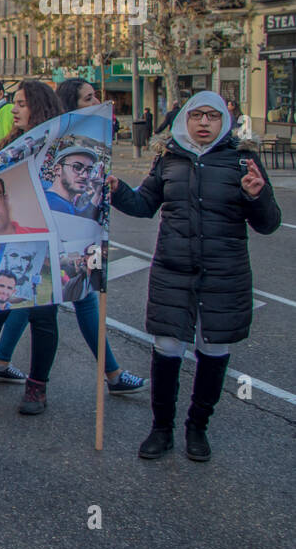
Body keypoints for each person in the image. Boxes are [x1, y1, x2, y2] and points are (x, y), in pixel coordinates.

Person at [109, 91, 280, 462]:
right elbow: (143, 204)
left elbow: (269, 223)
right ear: (185, 119)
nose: (204, 123)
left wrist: (257, 196)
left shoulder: (242, 159)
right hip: (173, 271)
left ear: (225, 122)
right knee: (167, 348)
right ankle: (161, 429)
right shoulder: (169, 158)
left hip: (224, 274)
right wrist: (118, 190)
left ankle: (197, 427)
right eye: (197, 115)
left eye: (213, 116)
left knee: (214, 349)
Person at [0, 80, 64, 416]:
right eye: (15, 103)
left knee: (42, 314)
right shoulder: (9, 143)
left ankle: (38, 388)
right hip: (7, 237)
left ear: (39, 106)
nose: (15, 109)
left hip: (44, 239)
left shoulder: (56, 145)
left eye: (21, 104)